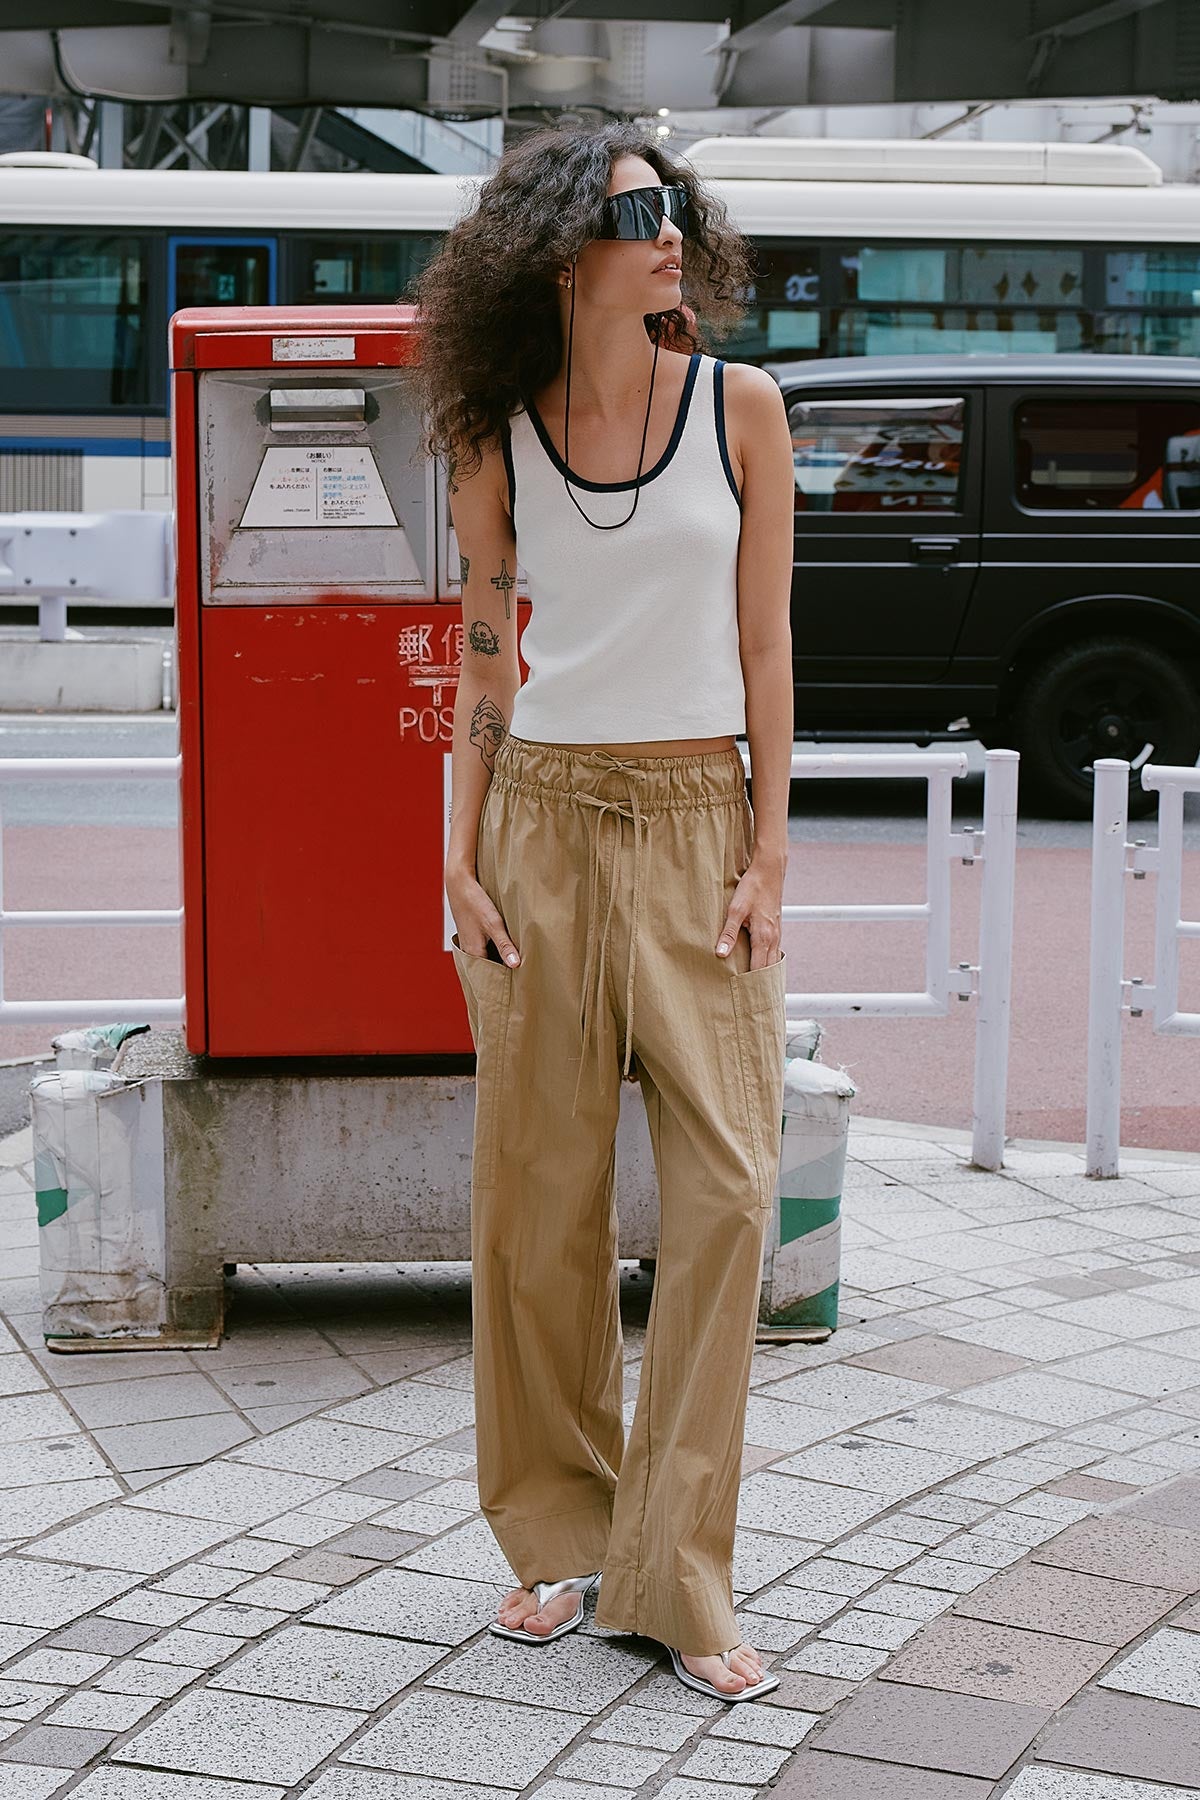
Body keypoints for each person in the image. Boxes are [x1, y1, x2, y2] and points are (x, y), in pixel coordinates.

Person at [415, 120, 795, 1703]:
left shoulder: (742, 410)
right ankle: (563, 1539)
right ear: (563, 250)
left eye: (678, 211)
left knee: (727, 1197)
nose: (673, 238)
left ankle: (676, 1569)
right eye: (643, 215)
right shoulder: (498, 435)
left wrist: (773, 850)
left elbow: (769, 650)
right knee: (539, 1201)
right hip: (545, 828)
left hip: (703, 826)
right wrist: (458, 851)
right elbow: (488, 662)